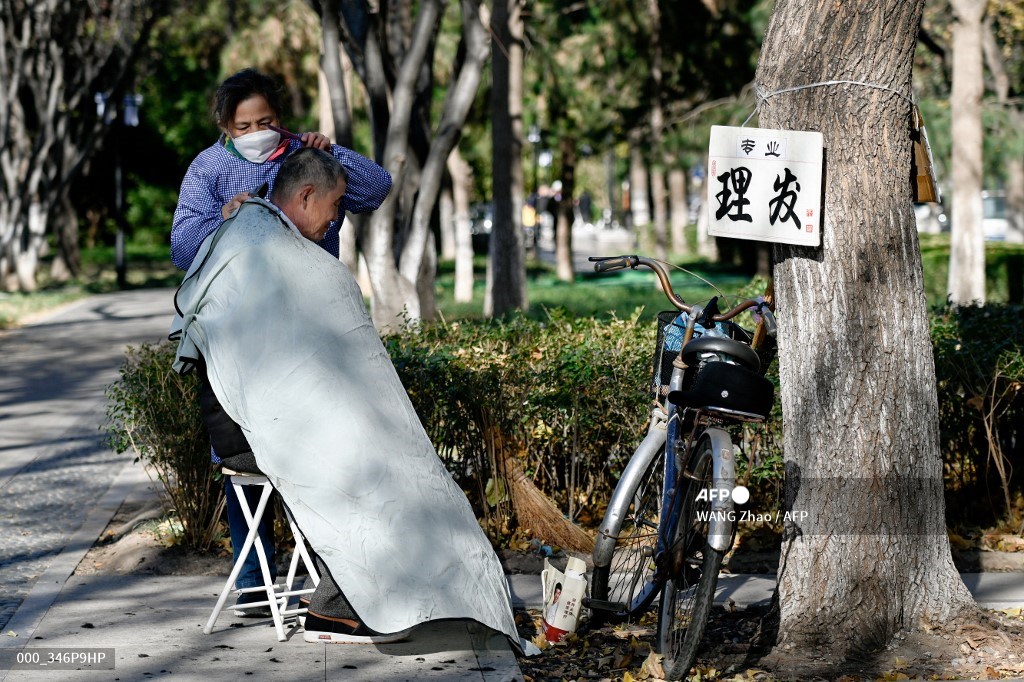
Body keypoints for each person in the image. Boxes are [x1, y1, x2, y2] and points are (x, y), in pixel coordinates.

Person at [170, 148, 519, 646]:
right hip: (245, 431)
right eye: (334, 205)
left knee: (390, 454)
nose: (336, 218)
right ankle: (337, 609)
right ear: (306, 195)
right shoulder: (258, 245)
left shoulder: (267, 242)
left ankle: (381, 594)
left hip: (267, 420)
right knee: (366, 468)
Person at [171, 68, 392, 616]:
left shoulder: (306, 158)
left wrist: (332, 150)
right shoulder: (209, 169)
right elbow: (181, 247)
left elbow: (375, 189)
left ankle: (331, 573)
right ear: (226, 126)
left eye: (265, 121)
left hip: (314, 326)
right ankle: (255, 576)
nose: (256, 131)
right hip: (247, 335)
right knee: (250, 454)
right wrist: (222, 221)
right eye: (244, 124)